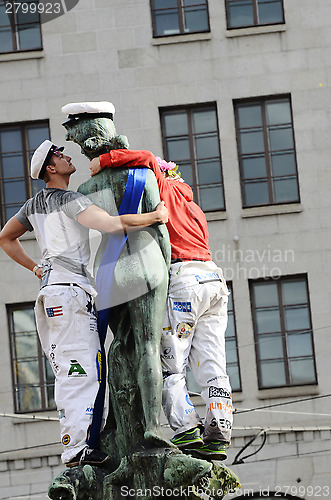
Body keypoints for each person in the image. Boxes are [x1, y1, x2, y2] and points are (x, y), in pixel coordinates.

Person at [0, 140, 168, 467]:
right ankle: (78, 450)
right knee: (81, 370)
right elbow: (107, 223)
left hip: (54, 292)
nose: (66, 156)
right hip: (69, 293)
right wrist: (153, 216)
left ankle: (80, 444)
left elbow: (5, 237)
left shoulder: (33, 205)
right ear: (51, 168)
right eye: (60, 156)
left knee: (72, 368)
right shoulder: (68, 199)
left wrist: (36, 267)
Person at [89, 149, 233, 460]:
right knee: (212, 362)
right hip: (214, 280)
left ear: (163, 176)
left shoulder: (164, 190)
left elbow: (146, 158)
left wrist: (105, 160)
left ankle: (186, 429)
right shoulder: (194, 206)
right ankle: (220, 428)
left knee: (169, 361)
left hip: (183, 280)